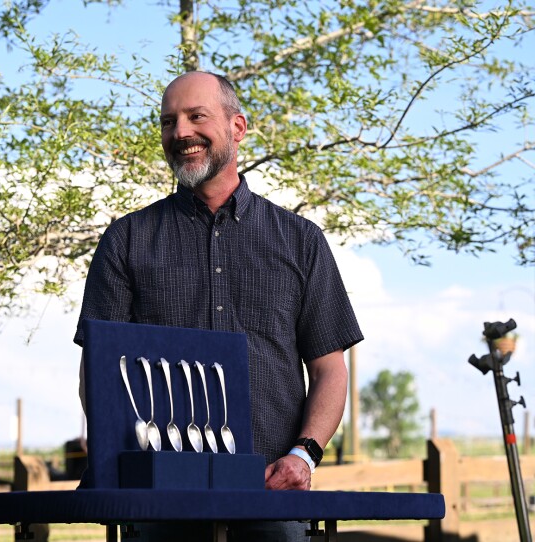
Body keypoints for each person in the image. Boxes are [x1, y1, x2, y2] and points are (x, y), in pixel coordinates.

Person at [74, 71, 363, 541]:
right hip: (157, 504)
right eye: (169, 121)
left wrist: (304, 455)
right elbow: (98, 372)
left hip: (273, 498)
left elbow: (330, 370)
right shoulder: (125, 240)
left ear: (238, 127)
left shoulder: (301, 241)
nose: (180, 132)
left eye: (195, 116)